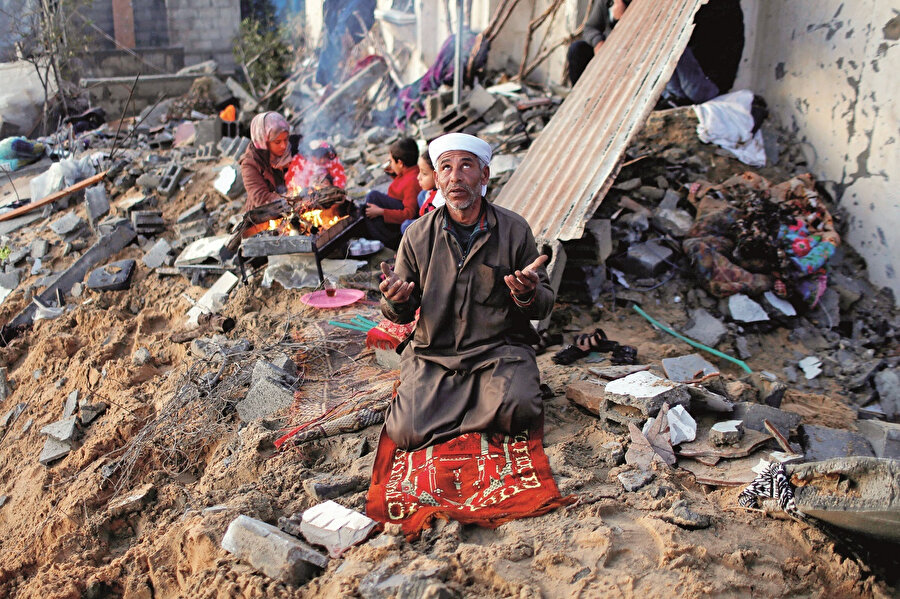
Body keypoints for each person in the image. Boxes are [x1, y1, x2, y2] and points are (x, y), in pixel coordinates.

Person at [378, 133, 554, 451]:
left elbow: (544, 305)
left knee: (521, 407)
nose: (455, 177)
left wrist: (527, 294)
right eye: (445, 168)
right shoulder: (417, 235)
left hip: (499, 353)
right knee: (404, 431)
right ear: (437, 178)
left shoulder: (515, 230)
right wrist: (396, 299)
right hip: (435, 356)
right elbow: (399, 310)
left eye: (466, 166)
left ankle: (459, 407)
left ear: (484, 175)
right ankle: (472, 408)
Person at [566, 0, 743, 106]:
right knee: (578, 50)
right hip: (618, 58)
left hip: (701, 83)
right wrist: (599, 43)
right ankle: (581, 102)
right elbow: (590, 28)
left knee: (668, 45)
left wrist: (627, 19)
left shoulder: (720, 11)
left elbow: (657, 40)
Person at [363, 137, 422, 250]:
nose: (389, 163)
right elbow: (400, 187)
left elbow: (409, 214)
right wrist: (394, 173)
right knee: (366, 206)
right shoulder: (411, 170)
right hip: (397, 212)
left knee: (372, 197)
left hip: (401, 228)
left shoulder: (412, 181)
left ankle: (387, 241)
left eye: (391, 161)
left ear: (400, 163)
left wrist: (381, 212)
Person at [239, 111, 293, 212]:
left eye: (286, 139)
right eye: (277, 142)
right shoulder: (250, 163)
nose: (284, 146)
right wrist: (291, 198)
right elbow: (261, 198)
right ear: (264, 141)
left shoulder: (292, 148)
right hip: (267, 216)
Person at [400, 150, 441, 234]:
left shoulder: (440, 200)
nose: (418, 177)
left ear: (437, 174)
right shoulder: (424, 195)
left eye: (424, 173)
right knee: (421, 195)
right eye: (419, 171)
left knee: (406, 226)